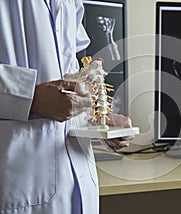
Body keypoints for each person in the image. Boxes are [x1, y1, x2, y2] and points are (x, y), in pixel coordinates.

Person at [0, 0, 131, 213]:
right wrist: (29, 97)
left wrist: (97, 116)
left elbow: (69, 68)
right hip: (19, 181)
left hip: (76, 177)